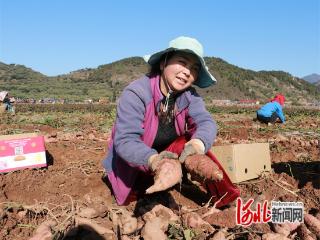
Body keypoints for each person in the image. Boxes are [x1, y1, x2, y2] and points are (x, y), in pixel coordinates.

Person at [102, 36, 239, 207]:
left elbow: (206, 122)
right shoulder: (136, 93)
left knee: (190, 142)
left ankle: (226, 198)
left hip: (170, 158)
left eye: (194, 68)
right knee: (134, 195)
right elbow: (125, 141)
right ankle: (147, 185)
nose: (187, 72)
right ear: (162, 63)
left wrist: (196, 146)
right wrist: (155, 161)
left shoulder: (190, 96)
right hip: (137, 165)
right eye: (182, 62)